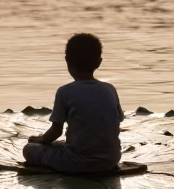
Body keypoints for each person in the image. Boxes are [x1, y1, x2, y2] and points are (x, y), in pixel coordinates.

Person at [23, 33, 124, 173]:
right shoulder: (110, 89)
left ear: (66, 60)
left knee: (29, 149)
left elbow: (56, 131)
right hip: (110, 160)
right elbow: (116, 123)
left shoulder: (64, 92)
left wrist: (41, 141)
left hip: (76, 162)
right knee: (59, 145)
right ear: (99, 62)